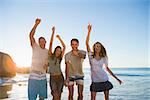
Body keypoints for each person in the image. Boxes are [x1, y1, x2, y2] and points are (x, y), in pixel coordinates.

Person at [86, 24, 123, 100]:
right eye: (96, 46)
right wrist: (89, 31)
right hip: (95, 80)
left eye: (99, 46)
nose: (97, 47)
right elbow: (87, 43)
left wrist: (117, 79)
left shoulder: (104, 57)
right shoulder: (90, 55)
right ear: (94, 47)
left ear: (101, 48)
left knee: (106, 98)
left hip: (104, 79)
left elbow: (107, 69)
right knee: (92, 98)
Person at [28, 18, 48, 100]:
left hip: (43, 76)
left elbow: (49, 62)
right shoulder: (35, 47)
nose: (41, 42)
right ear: (38, 42)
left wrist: (47, 65)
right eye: (40, 41)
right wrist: (36, 24)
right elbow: (31, 35)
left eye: (43, 41)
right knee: (32, 97)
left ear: (45, 42)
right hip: (33, 76)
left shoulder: (48, 51)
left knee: (42, 97)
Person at [48, 26, 66, 100]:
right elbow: (51, 43)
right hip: (53, 78)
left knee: (59, 95)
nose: (59, 52)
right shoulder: (50, 56)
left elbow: (64, 47)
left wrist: (59, 38)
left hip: (60, 77)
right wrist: (53, 33)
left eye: (60, 51)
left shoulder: (60, 58)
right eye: (57, 50)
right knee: (55, 95)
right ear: (55, 50)